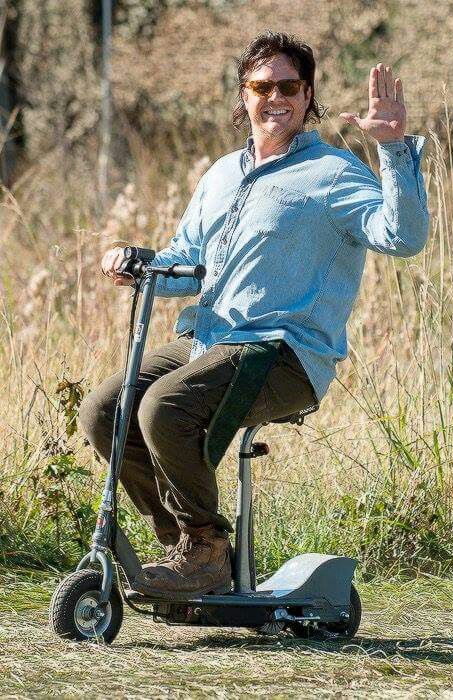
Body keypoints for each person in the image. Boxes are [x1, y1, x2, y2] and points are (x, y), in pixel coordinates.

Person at [79, 31, 429, 597]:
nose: (275, 98)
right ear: (243, 94)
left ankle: (204, 551)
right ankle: (188, 547)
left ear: (307, 93)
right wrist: (137, 264)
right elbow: (187, 260)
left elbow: (403, 236)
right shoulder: (220, 174)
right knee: (105, 411)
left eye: (288, 86)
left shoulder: (332, 173)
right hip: (213, 340)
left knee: (164, 406)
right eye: (261, 86)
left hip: (285, 355)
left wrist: (392, 148)